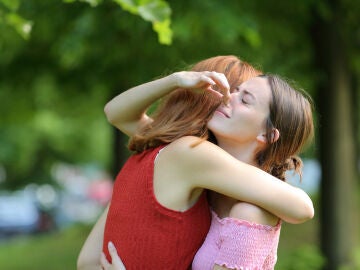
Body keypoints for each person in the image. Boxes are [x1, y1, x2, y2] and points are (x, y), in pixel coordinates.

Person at [77, 56, 314, 270]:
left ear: (267, 135)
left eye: (245, 99)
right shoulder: (195, 169)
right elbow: (115, 113)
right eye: (232, 90)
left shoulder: (196, 159)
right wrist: (177, 79)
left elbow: (304, 207)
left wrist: (175, 81)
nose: (227, 97)